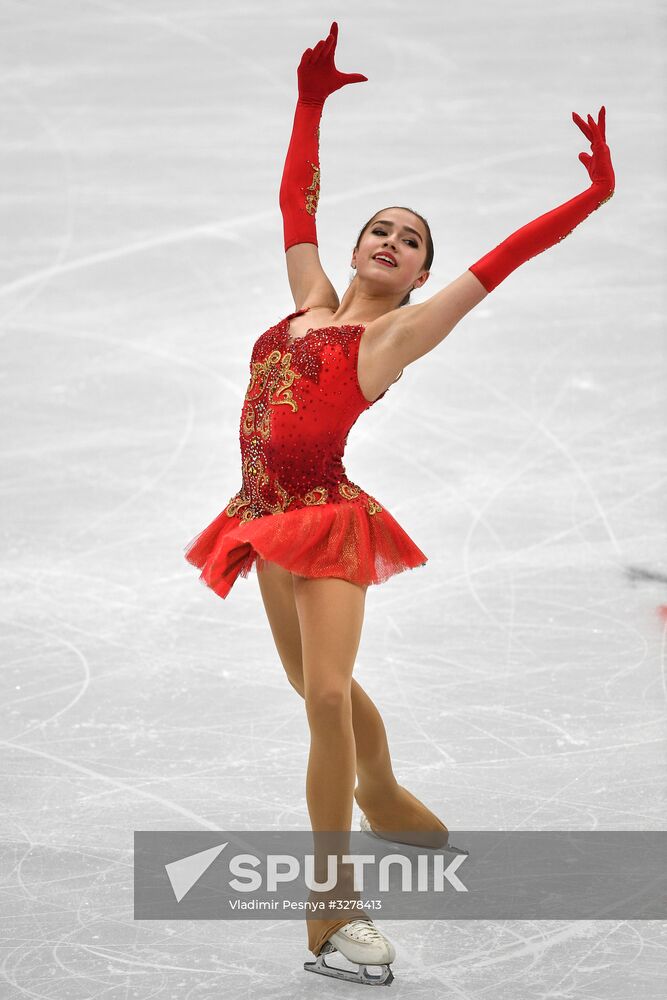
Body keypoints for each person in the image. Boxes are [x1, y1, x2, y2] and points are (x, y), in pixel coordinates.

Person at [184, 20, 615, 987]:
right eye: (381, 228)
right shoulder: (307, 301)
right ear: (357, 245)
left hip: (329, 523)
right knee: (312, 692)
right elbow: (293, 203)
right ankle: (380, 792)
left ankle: (330, 913)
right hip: (258, 512)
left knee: (328, 695)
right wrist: (309, 101)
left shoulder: (395, 339)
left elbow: (501, 262)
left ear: (418, 274)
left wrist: (590, 196)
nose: (392, 240)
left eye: (410, 240)